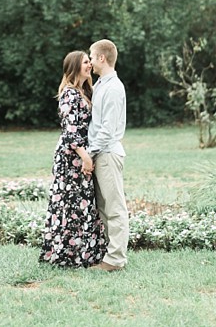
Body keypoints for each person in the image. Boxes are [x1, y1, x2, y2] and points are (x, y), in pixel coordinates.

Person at [39, 50, 108, 268]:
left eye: (90, 61)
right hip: (72, 156)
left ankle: (85, 253)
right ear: (75, 67)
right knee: (69, 203)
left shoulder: (84, 91)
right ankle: (65, 254)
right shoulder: (69, 94)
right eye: (86, 62)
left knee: (83, 202)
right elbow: (70, 131)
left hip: (82, 152)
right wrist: (85, 157)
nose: (90, 65)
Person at [87, 38, 129, 272]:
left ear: (102, 58)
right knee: (104, 209)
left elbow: (107, 128)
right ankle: (108, 255)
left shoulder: (113, 88)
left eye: (92, 57)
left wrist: (89, 154)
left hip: (107, 153)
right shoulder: (102, 83)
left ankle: (115, 260)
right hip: (99, 154)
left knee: (115, 208)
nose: (91, 62)